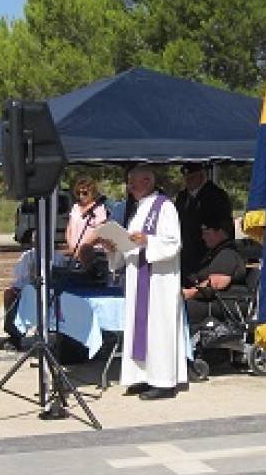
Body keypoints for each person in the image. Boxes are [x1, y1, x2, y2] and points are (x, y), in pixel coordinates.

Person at [98, 165, 187, 401]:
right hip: (139, 277)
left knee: (158, 329)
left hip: (159, 281)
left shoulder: (165, 206)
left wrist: (148, 240)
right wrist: (114, 248)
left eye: (133, 182)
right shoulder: (138, 209)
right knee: (140, 329)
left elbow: (173, 242)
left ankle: (163, 381)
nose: (130, 187)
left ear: (147, 180)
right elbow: (130, 246)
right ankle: (142, 376)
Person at [182, 211, 246, 326]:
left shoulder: (227, 253)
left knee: (175, 309)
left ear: (220, 232)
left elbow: (217, 283)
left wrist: (188, 293)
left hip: (222, 303)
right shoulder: (214, 252)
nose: (203, 237)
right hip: (213, 301)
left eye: (206, 233)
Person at [174, 162, 233, 280]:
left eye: (192, 177)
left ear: (202, 175)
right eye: (186, 178)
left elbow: (222, 226)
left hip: (207, 251)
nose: (188, 181)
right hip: (186, 250)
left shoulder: (216, 195)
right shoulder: (182, 197)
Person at [65, 176, 108, 266]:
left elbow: (99, 232)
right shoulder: (75, 207)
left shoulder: (99, 208)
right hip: (74, 253)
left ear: (92, 192)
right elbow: (69, 229)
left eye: (84, 193)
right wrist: (71, 247)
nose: (81, 196)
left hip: (92, 254)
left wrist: (82, 248)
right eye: (78, 193)